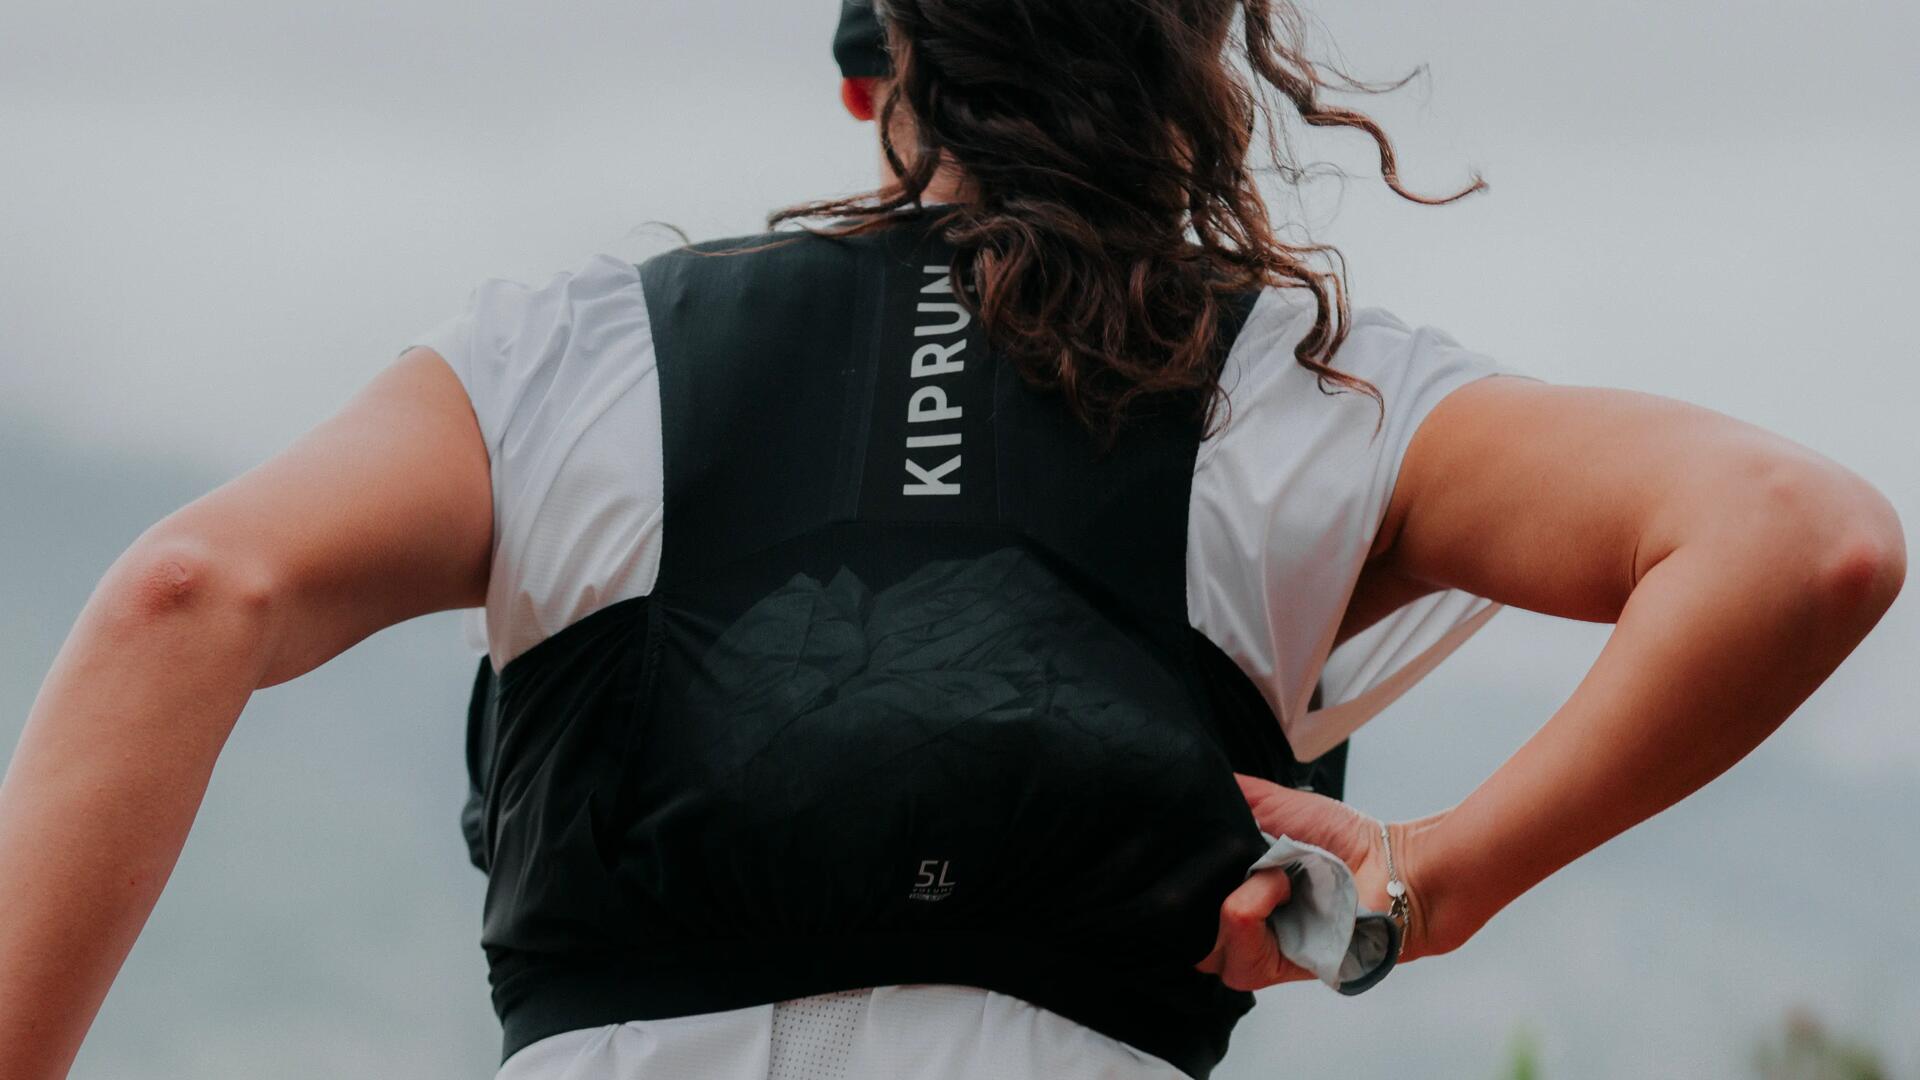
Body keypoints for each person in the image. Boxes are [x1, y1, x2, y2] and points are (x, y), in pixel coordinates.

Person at [0, 1, 1905, 1078]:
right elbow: (1799, 537)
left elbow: (185, 592)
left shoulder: (571, 358)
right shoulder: (1302, 397)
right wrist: (1437, 875)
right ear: (1200, 66)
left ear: (876, 68)